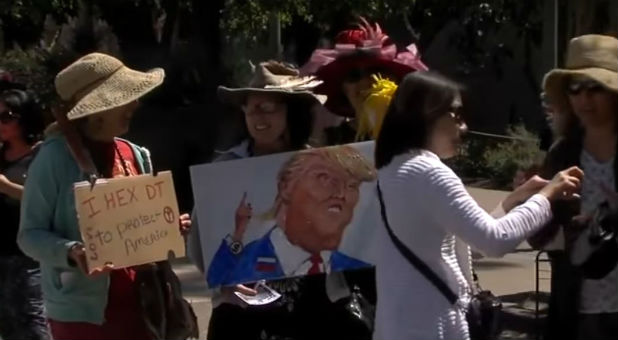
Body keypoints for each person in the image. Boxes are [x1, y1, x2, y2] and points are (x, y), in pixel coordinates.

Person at [372, 70, 583, 340]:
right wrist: (548, 195)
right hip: (432, 325)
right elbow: (494, 240)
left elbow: (470, 237)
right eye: (456, 115)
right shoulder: (431, 173)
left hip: (399, 325)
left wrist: (513, 200)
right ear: (427, 113)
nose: (464, 127)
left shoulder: (395, 168)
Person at [188, 61, 375, 340]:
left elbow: (355, 235)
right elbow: (201, 244)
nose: (258, 117)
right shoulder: (224, 168)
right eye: (251, 108)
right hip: (244, 313)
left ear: (292, 113)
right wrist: (223, 287)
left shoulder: (325, 164)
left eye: (268, 108)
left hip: (315, 309)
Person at [17, 52, 193, 340]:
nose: (135, 105)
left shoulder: (136, 154)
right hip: (84, 318)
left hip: (145, 306)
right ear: (96, 111)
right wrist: (73, 252)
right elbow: (29, 235)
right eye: (125, 98)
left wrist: (167, 229)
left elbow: (140, 230)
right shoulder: (53, 159)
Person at [529, 34, 618, 340]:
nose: (584, 98)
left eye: (596, 87)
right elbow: (539, 237)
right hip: (576, 310)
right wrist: (531, 202)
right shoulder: (562, 153)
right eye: (575, 88)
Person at [207, 146, 375, 286]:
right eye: (325, 178)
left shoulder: (362, 272)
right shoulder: (238, 267)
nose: (341, 194)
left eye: (352, 185)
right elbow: (216, 290)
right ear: (286, 187)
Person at [301, 17, 427, 144]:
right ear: (343, 89)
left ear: (396, 81)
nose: (364, 82)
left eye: (375, 72)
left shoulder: (422, 134)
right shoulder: (330, 142)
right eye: (353, 76)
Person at [0, 89, 49, 340]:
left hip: (29, 255)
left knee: (32, 322)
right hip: (3, 254)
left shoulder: (42, 155)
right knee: (7, 324)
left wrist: (6, 187)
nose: (0, 124)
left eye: (6, 117)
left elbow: (47, 202)